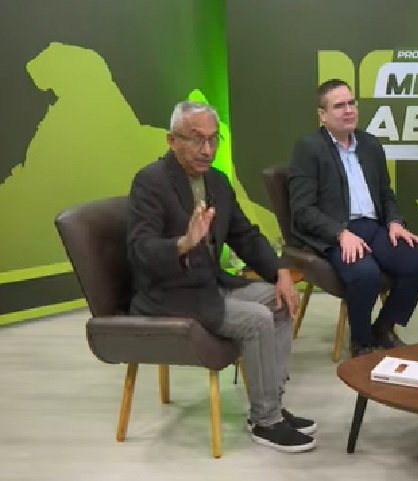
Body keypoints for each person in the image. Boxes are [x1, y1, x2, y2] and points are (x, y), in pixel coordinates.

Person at [127, 101, 316, 453]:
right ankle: (266, 422)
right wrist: (183, 244)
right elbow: (140, 250)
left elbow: (244, 235)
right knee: (258, 319)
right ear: (171, 140)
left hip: (210, 285)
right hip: (170, 294)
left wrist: (280, 272)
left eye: (214, 139)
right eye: (197, 139)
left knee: (278, 300)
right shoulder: (150, 182)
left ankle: (270, 405)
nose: (207, 149)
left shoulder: (216, 180)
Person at [288, 79, 418, 357]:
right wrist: (340, 234)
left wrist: (394, 222)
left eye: (351, 103)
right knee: (364, 273)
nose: (348, 110)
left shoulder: (370, 144)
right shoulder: (309, 149)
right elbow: (302, 209)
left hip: (374, 227)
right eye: (339, 106)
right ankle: (361, 342)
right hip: (335, 233)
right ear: (322, 115)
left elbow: (385, 193)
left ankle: (383, 328)